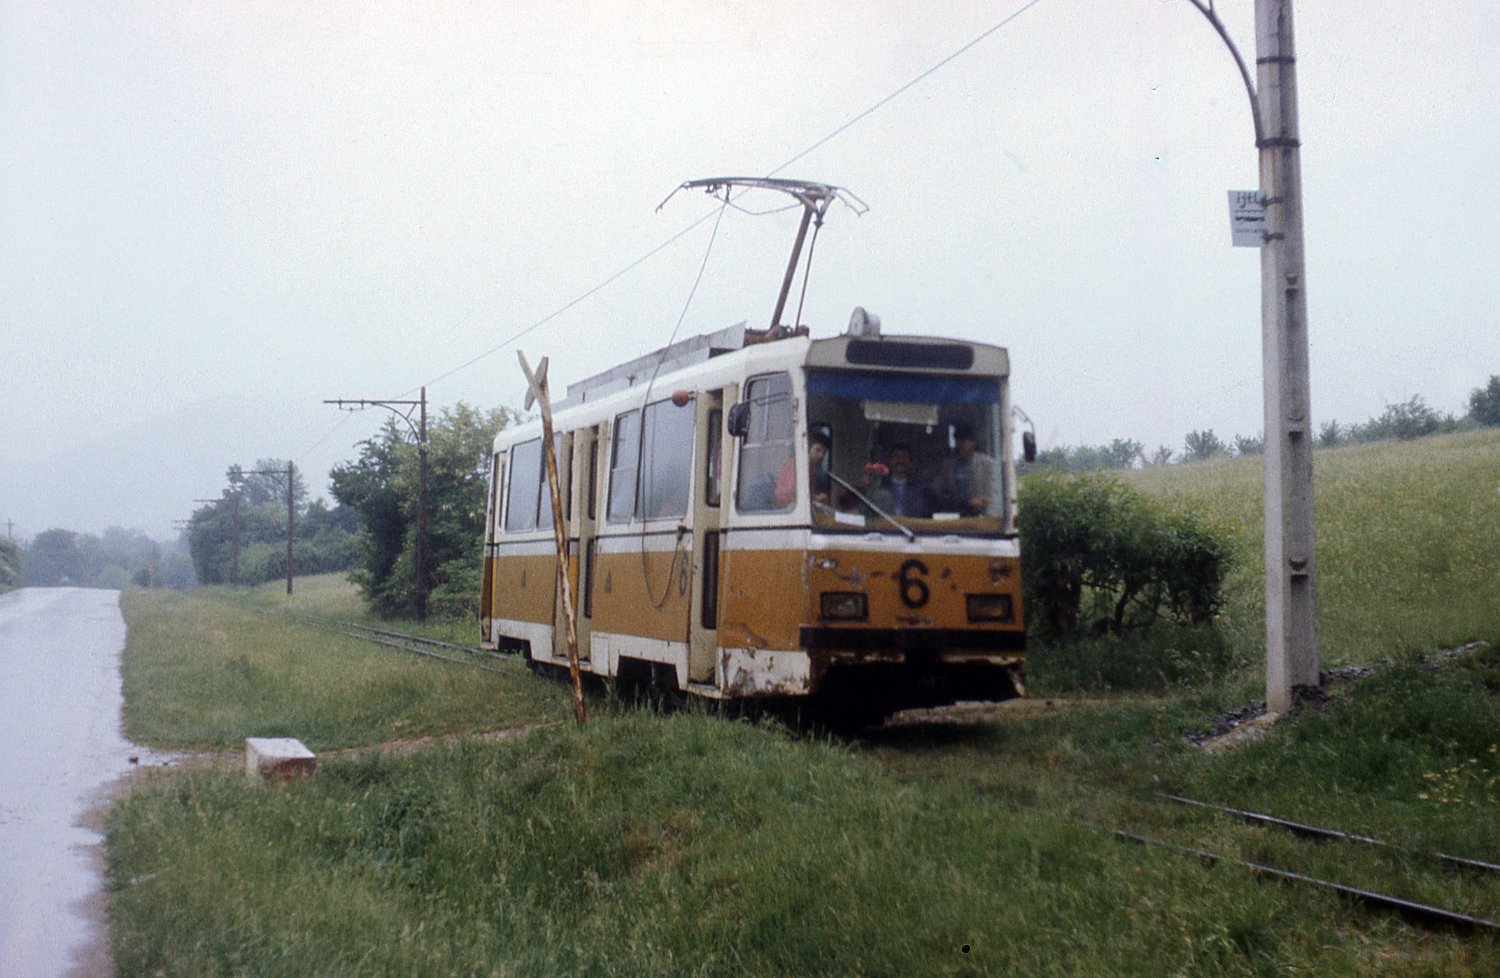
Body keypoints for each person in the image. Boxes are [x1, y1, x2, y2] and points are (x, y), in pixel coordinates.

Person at [935, 422, 999, 516]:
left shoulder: (988, 464)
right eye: (957, 441)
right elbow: (937, 492)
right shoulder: (948, 466)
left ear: (974, 443)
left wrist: (989, 517)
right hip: (954, 518)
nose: (959, 445)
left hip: (980, 519)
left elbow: (994, 496)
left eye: (963, 441)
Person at [866, 443, 935, 519]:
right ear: (889, 460)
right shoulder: (879, 486)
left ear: (910, 463)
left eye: (904, 457)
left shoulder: (920, 489)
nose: (900, 460)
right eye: (896, 456)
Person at [775, 431, 832, 507]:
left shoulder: (813, 468)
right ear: (807, 449)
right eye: (818, 450)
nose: (821, 455)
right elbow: (789, 494)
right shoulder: (795, 465)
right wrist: (816, 498)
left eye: (824, 452)